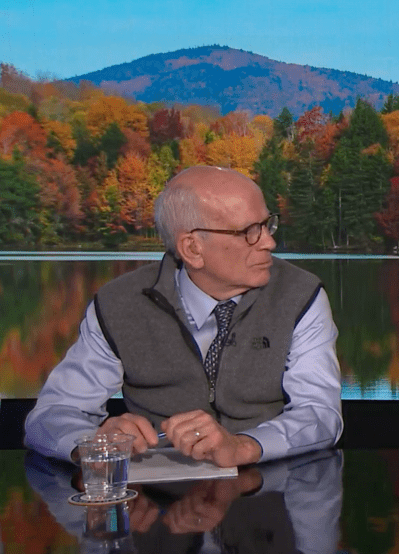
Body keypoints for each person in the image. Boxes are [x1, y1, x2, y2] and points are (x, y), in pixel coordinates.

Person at [25, 166, 343, 467]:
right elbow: (49, 418)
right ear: (192, 248)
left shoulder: (301, 294)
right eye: (250, 231)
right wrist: (92, 443)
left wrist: (243, 446)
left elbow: (319, 415)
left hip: (265, 495)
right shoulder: (118, 303)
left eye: (267, 225)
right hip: (155, 504)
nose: (270, 242)